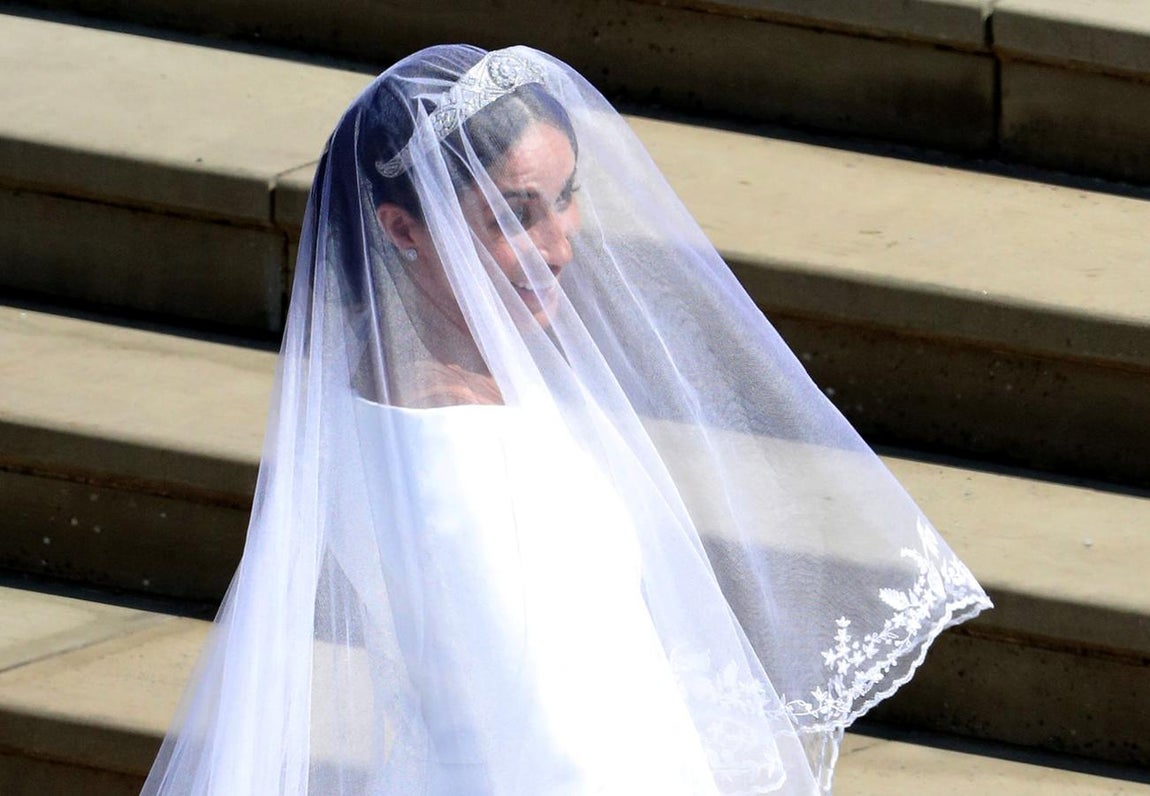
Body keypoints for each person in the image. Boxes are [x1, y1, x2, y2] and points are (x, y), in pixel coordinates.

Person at [143, 45, 991, 795]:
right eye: (513, 213)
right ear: (403, 227)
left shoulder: (448, 383)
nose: (558, 244)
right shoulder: (453, 446)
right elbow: (551, 734)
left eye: (566, 196)